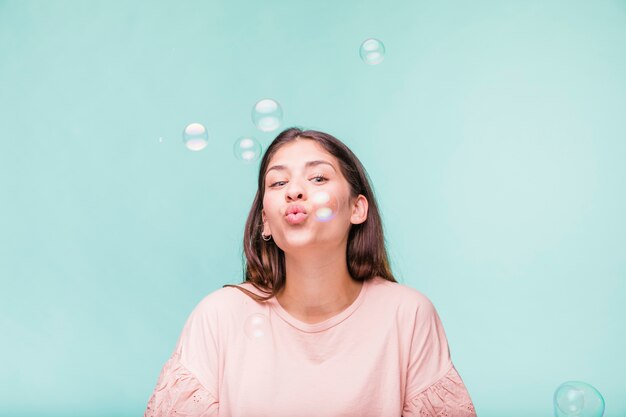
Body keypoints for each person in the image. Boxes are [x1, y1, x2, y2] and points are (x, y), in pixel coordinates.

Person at [143, 127, 477, 417]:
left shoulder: (408, 315)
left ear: (357, 208)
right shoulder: (218, 317)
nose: (294, 191)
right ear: (266, 222)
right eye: (278, 182)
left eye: (318, 178)